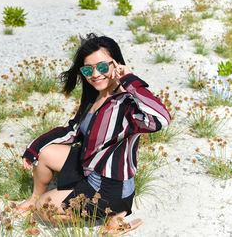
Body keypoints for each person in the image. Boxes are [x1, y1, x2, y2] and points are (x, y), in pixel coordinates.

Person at [16, 33, 171, 234]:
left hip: (110, 186)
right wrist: (34, 148)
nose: (96, 74)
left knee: (44, 209)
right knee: (44, 153)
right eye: (89, 69)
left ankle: (114, 216)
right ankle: (34, 196)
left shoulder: (127, 103)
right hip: (88, 167)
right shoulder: (94, 97)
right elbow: (73, 130)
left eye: (103, 67)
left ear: (117, 64)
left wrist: (129, 79)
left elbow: (162, 119)